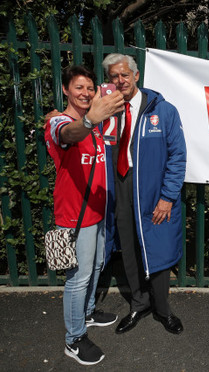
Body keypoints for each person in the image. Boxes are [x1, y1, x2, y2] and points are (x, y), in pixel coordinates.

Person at [101, 53, 187, 335]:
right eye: (114, 76)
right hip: (121, 187)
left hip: (153, 191)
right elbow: (79, 126)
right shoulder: (105, 110)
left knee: (158, 251)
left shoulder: (163, 111)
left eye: (125, 74)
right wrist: (59, 116)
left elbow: (177, 156)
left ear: (136, 75)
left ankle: (163, 310)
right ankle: (139, 304)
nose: (120, 80)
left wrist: (167, 197)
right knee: (128, 248)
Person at [44, 65, 125, 365]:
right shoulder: (60, 123)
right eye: (79, 87)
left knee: (97, 266)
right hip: (75, 214)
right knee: (77, 278)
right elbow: (68, 132)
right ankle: (73, 338)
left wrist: (96, 114)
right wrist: (90, 119)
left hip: (100, 211)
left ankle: (88, 312)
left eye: (90, 88)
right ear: (65, 89)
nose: (86, 93)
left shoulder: (99, 124)